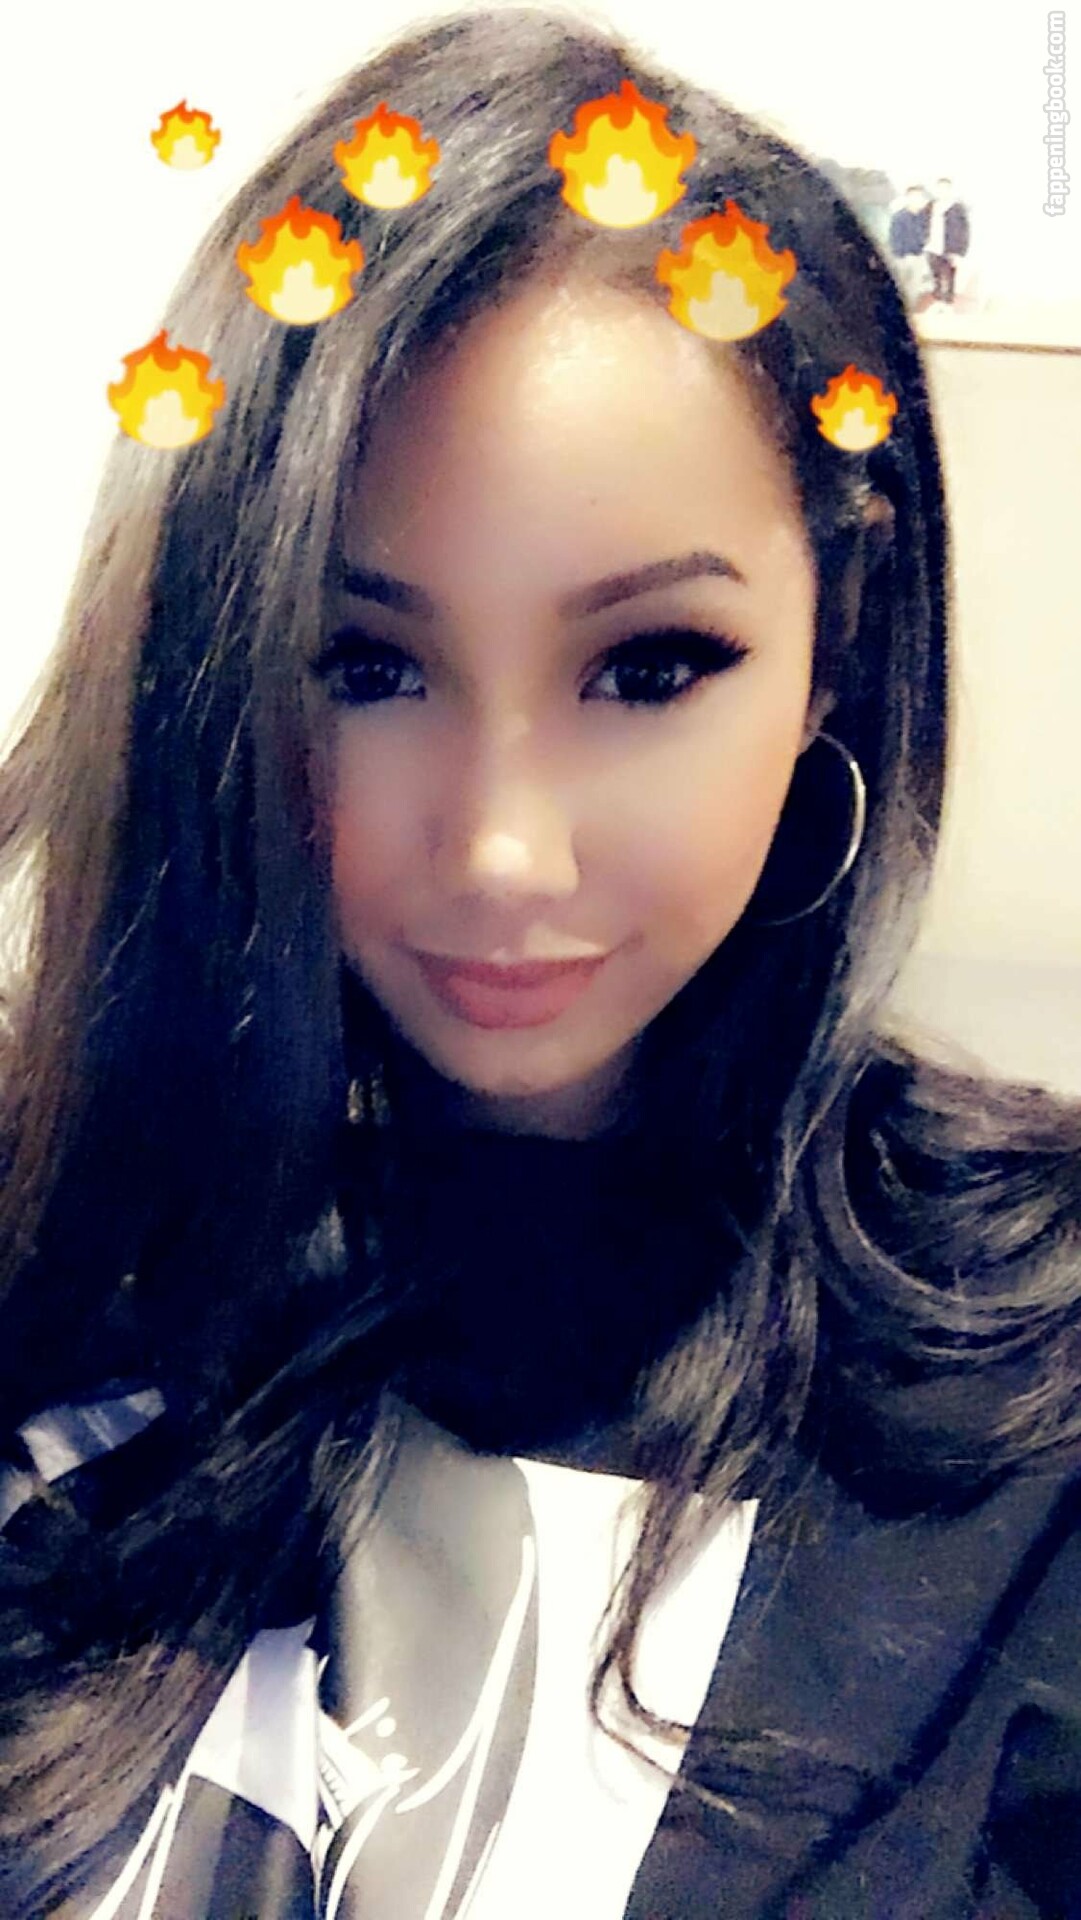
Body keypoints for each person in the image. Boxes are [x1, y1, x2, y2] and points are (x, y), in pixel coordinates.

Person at [1, 8, 1079, 1916]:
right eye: (369, 666)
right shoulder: (71, 1262)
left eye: (648, 666)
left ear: (835, 640)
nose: (506, 852)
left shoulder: (1033, 1381)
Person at [924, 174, 972, 306]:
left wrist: (960, 251)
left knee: (949, 275)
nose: (942, 192)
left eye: (945, 189)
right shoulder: (930, 206)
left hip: (950, 247)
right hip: (932, 246)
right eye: (940, 189)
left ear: (950, 190)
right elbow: (923, 224)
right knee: (936, 275)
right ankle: (938, 298)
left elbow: (964, 230)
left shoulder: (958, 208)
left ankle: (948, 301)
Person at [887, 183, 931, 307]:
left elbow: (926, 233)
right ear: (907, 198)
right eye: (914, 197)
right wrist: (898, 255)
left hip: (918, 256)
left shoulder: (924, 217)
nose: (917, 200)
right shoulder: (899, 216)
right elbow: (894, 237)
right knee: (899, 287)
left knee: (914, 287)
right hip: (902, 258)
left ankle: (910, 308)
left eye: (919, 197)